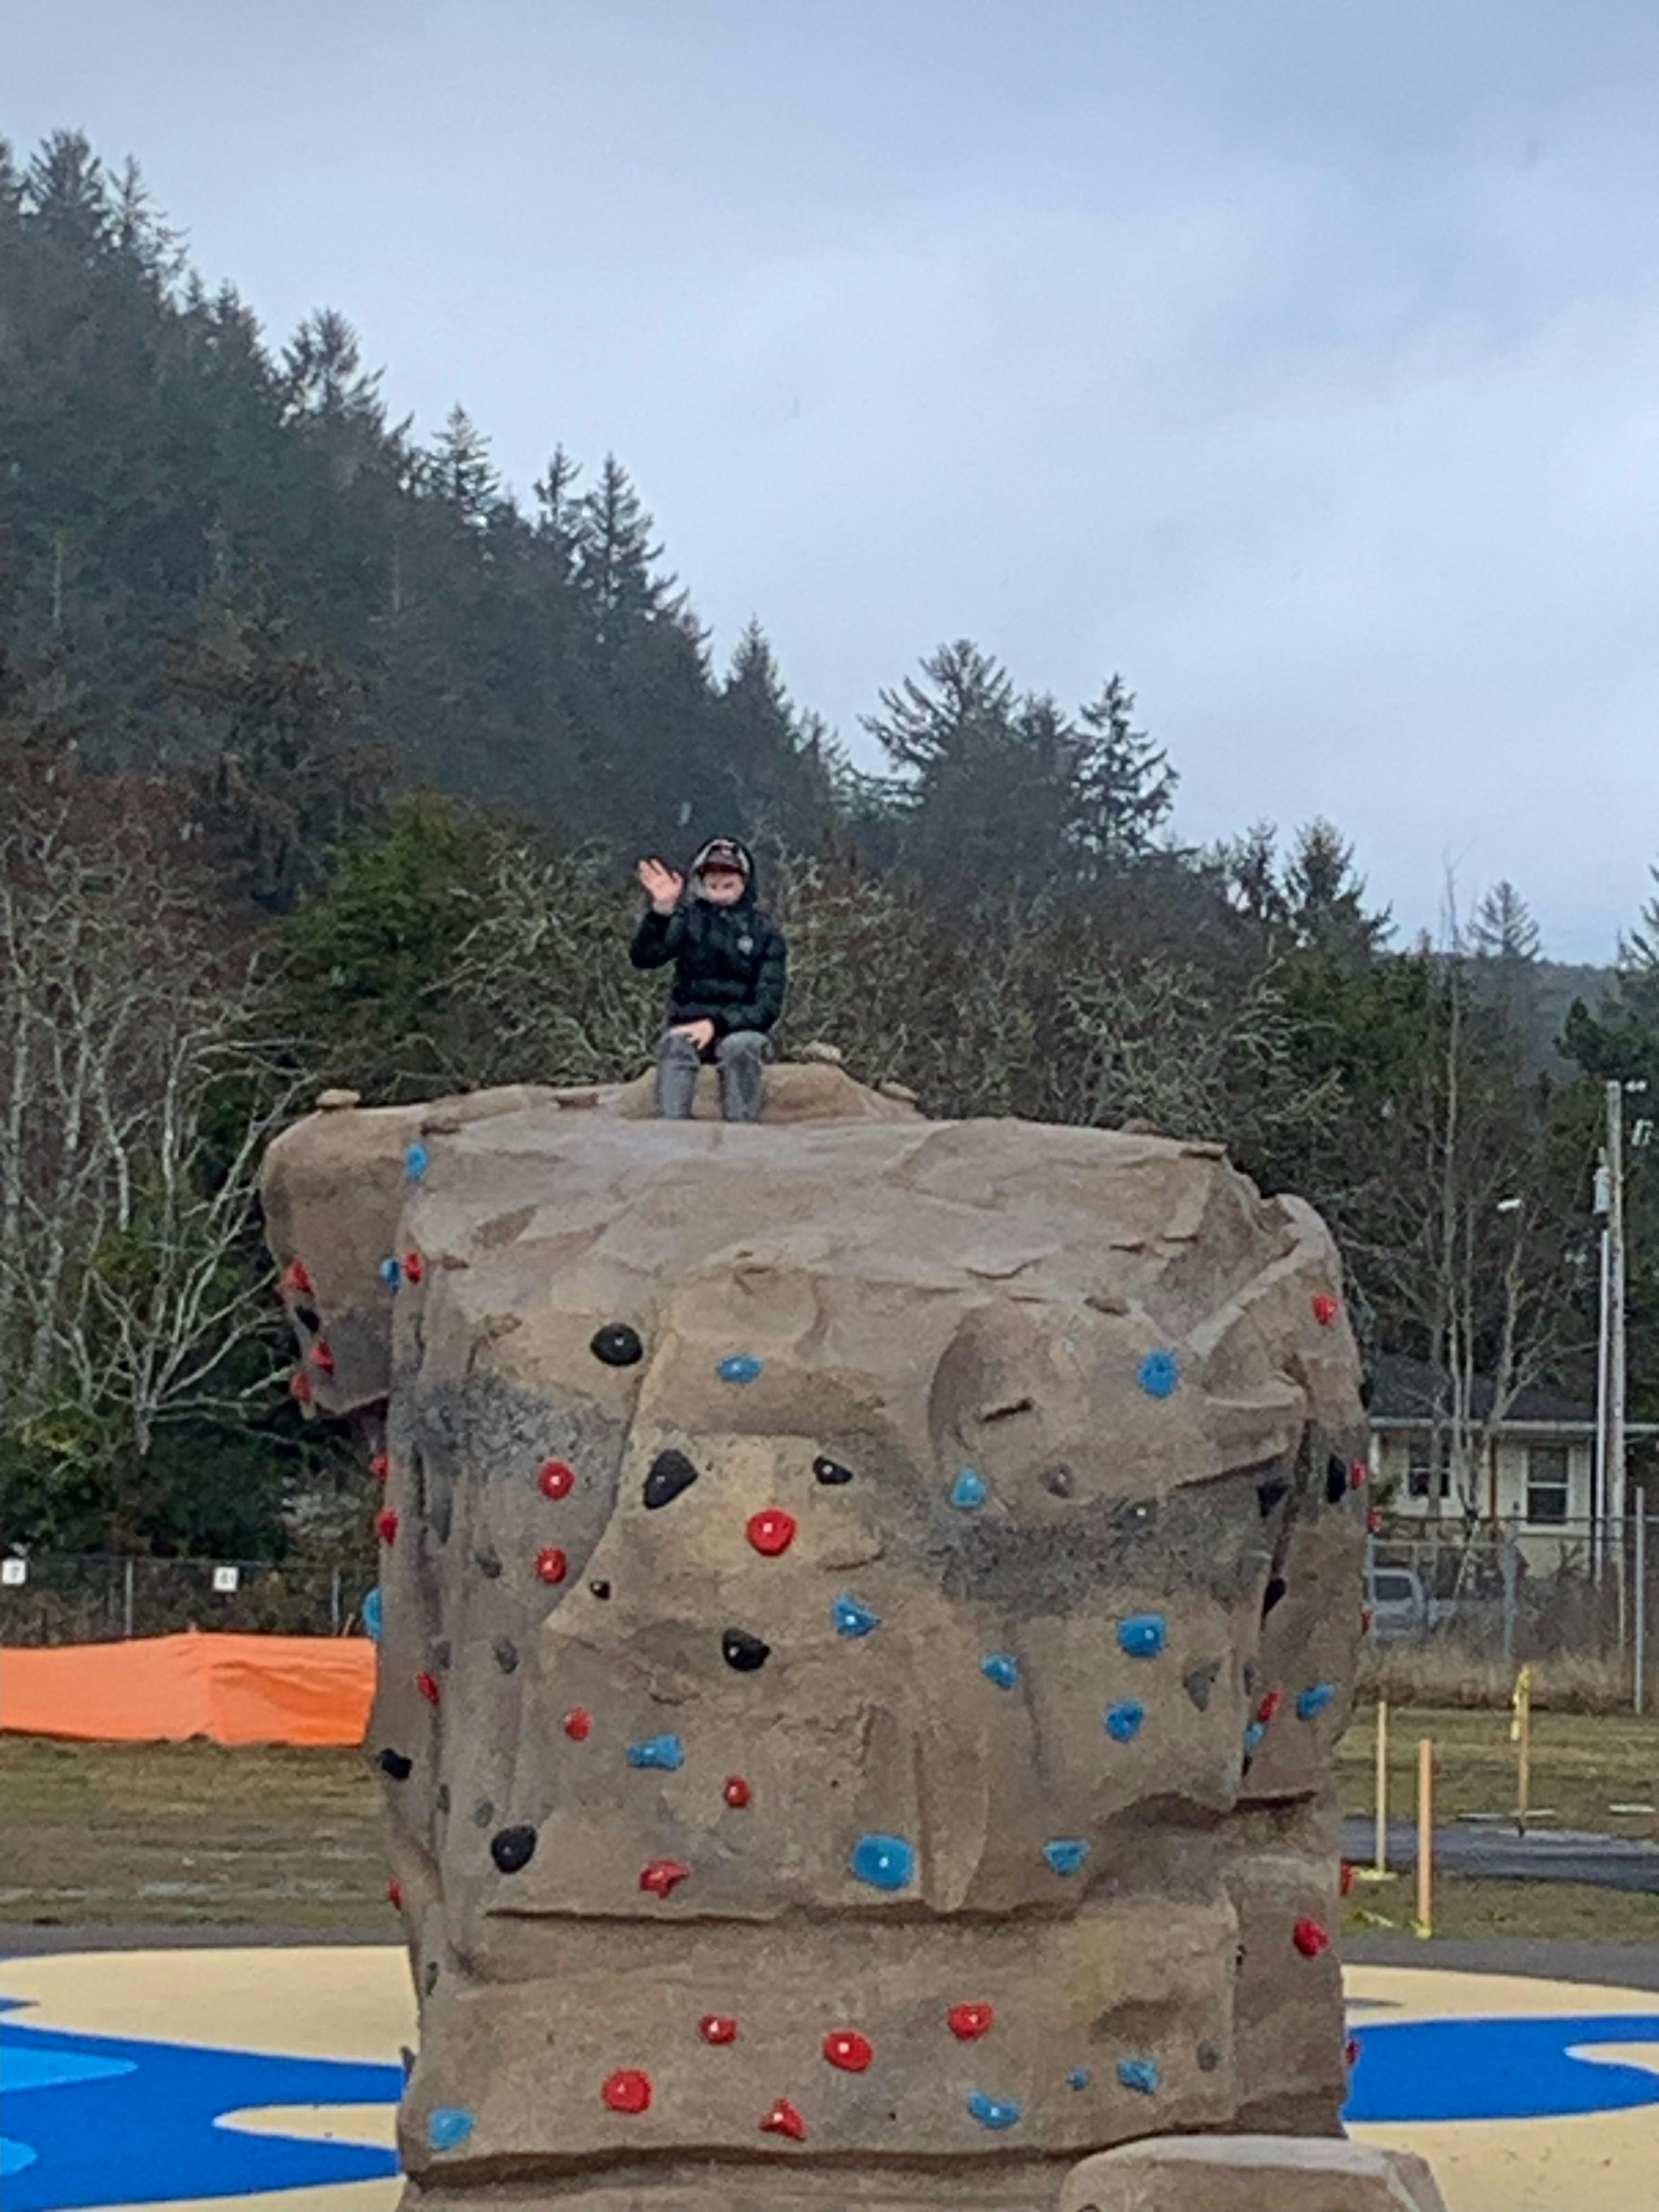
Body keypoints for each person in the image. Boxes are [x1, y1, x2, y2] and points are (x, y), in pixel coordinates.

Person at [630, 836, 787, 1121]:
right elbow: (645, 958)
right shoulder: (686, 919)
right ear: (700, 878)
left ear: (745, 880)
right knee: (676, 1045)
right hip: (689, 1023)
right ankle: (671, 1128)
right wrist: (661, 912)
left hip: (743, 1029)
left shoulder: (765, 932)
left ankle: (741, 1130)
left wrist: (717, 1024)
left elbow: (767, 1007)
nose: (720, 879)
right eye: (713, 872)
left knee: (739, 1049)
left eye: (729, 873)